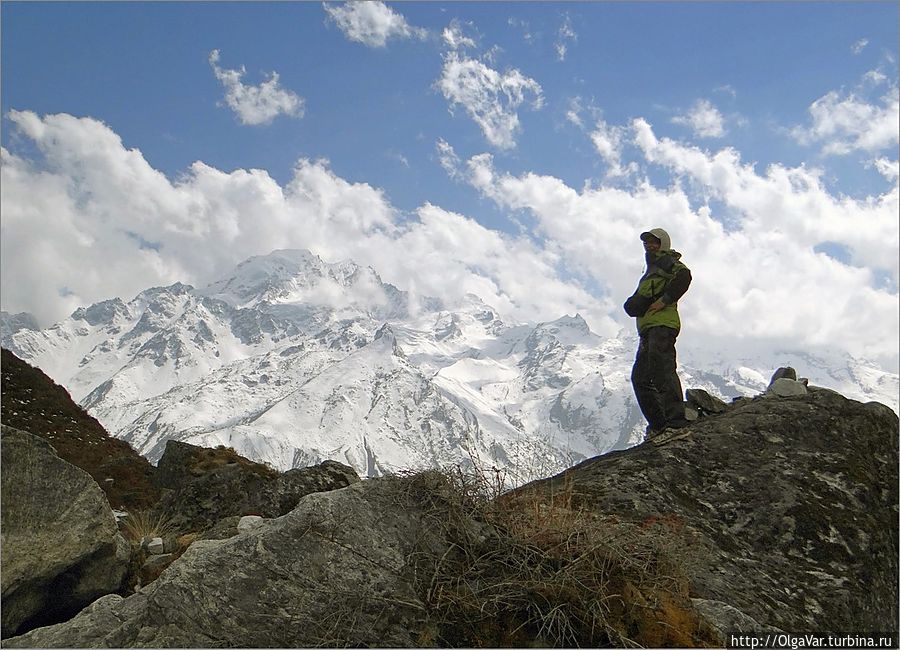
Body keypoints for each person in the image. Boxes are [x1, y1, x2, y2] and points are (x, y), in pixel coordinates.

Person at [623, 228, 692, 438]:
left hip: (662, 325)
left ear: (664, 243)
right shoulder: (651, 269)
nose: (649, 245)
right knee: (641, 378)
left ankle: (676, 423)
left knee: (661, 370)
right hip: (648, 329)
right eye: (647, 242)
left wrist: (664, 301)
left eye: (654, 242)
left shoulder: (666, 262)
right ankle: (660, 425)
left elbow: (684, 276)